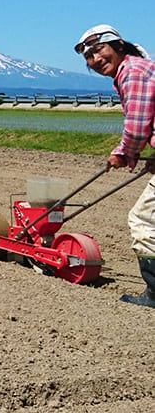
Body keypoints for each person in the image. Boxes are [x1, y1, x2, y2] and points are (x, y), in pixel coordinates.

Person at [75, 24, 155, 308]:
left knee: (142, 219)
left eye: (99, 50)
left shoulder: (132, 73)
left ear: (119, 47)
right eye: (88, 57)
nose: (95, 60)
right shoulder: (140, 68)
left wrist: (123, 154)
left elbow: (136, 127)